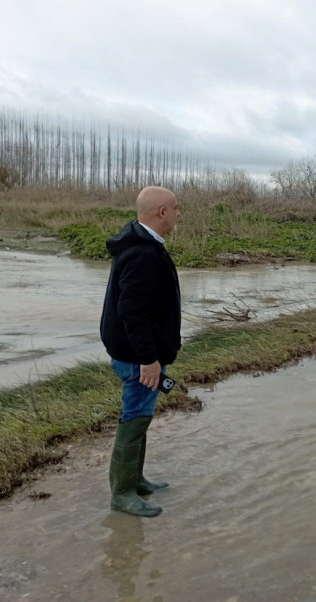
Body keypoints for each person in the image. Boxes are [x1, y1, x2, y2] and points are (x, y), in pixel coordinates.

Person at [100, 186, 182, 517]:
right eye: (175, 208)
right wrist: (148, 359)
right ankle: (122, 494)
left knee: (142, 416)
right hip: (138, 358)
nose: (178, 214)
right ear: (161, 212)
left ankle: (136, 480)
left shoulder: (143, 246)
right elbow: (131, 312)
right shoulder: (143, 253)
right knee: (134, 417)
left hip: (140, 355)